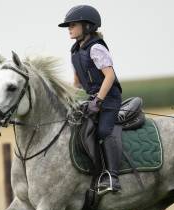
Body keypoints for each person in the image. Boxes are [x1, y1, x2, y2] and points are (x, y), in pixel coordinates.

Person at [58, 5, 123, 193]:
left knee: (103, 131)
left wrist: (99, 101)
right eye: (68, 25)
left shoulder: (96, 48)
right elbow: (77, 83)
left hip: (109, 99)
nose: (69, 28)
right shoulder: (75, 51)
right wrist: (64, 98)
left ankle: (113, 177)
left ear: (87, 26)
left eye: (73, 24)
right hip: (93, 99)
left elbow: (109, 76)